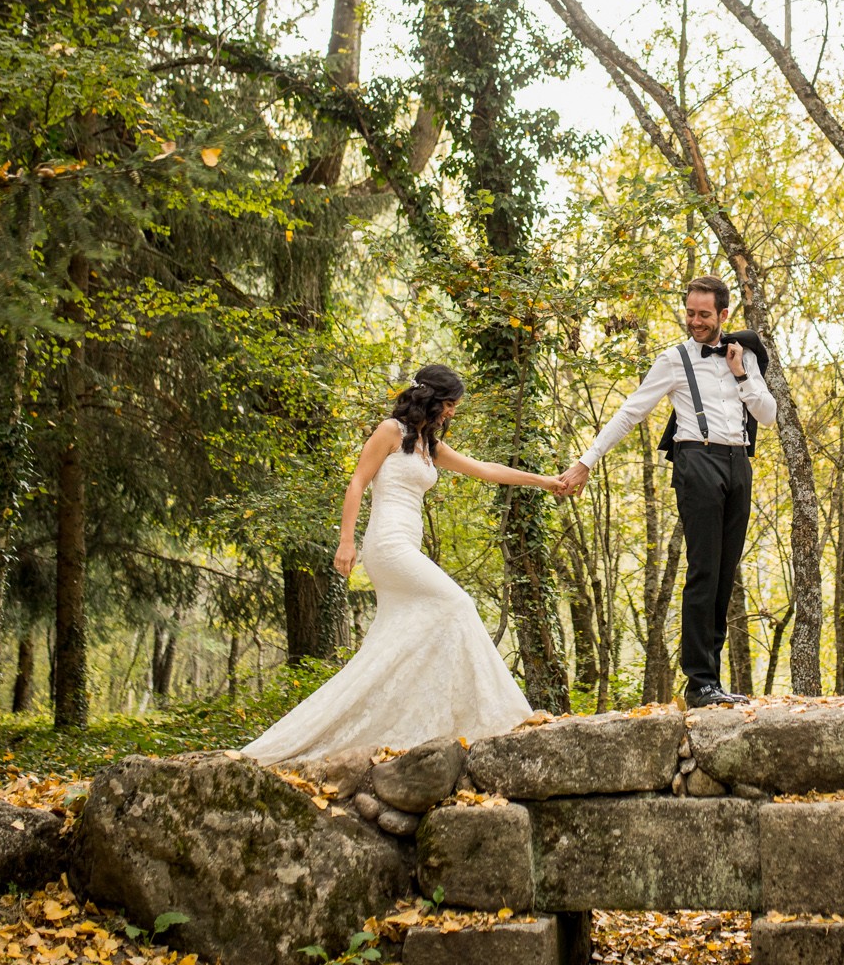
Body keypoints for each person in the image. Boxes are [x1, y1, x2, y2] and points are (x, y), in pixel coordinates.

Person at [243, 364, 560, 765]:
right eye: (450, 404)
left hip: (407, 544)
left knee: (397, 641)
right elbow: (357, 481)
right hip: (388, 545)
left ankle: (404, 724)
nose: (452, 412)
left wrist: (545, 481)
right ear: (430, 398)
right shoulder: (390, 431)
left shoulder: (429, 446)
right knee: (458, 604)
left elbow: (486, 470)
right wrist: (346, 541)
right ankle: (503, 715)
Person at [556, 275, 775, 709]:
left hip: (739, 463)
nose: (695, 321)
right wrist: (586, 461)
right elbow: (631, 412)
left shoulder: (745, 355)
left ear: (723, 314)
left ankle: (712, 681)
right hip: (697, 460)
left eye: (704, 314)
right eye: (690, 313)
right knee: (704, 571)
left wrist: (741, 374)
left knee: (724, 573)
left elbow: (767, 416)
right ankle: (699, 683)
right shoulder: (673, 360)